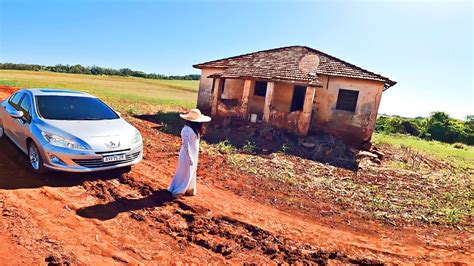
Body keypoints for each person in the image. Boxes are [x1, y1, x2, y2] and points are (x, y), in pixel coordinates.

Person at [168, 109, 211, 198]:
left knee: (191, 172)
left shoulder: (195, 130)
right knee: (184, 173)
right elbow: (186, 145)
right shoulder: (186, 130)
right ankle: (178, 191)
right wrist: (190, 157)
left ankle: (189, 189)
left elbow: (194, 142)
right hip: (187, 155)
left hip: (193, 155)